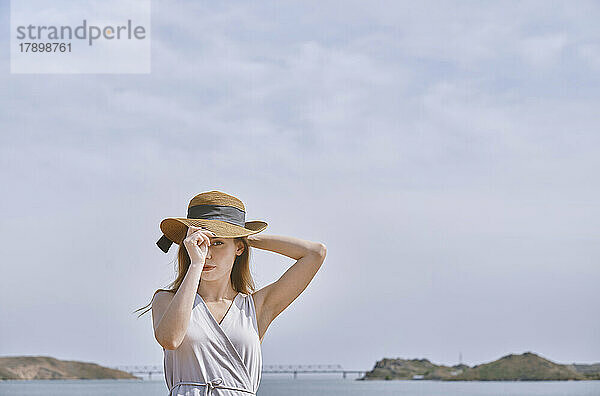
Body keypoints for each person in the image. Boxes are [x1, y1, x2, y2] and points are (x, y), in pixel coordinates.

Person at [136, 190, 327, 396]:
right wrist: (196, 265)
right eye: (200, 242)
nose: (207, 252)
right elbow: (170, 339)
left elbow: (315, 253)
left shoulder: (255, 307)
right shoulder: (166, 300)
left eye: (218, 242)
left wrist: (244, 237)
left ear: (239, 248)